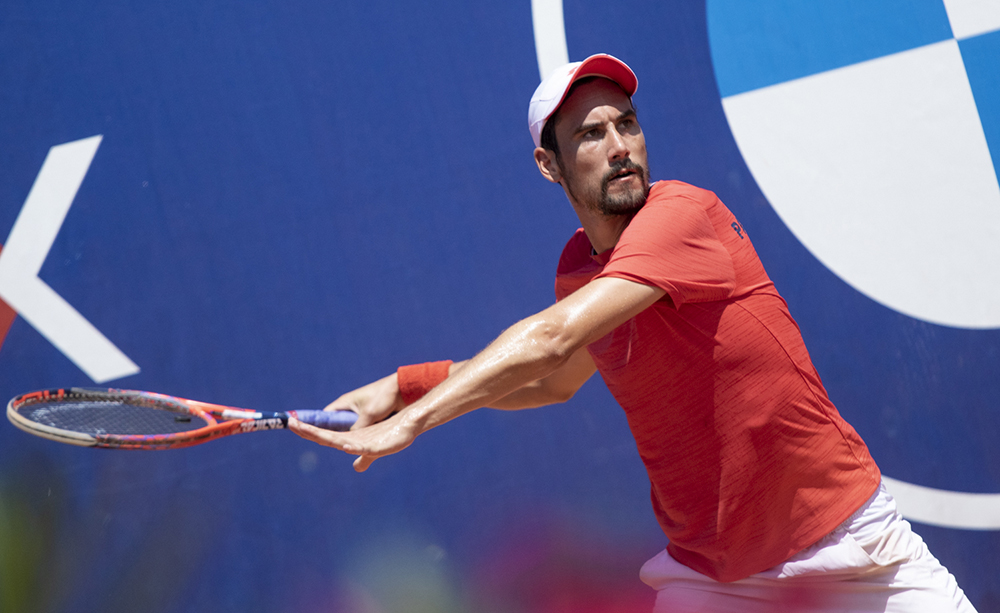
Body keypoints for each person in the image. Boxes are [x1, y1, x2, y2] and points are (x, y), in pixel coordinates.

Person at [291, 54, 977, 612]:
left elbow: (554, 340)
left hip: (854, 548)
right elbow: (553, 379)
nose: (620, 147)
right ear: (549, 165)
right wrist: (399, 389)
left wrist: (411, 423)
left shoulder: (684, 214)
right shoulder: (578, 271)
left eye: (627, 124)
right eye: (591, 135)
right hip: (713, 577)